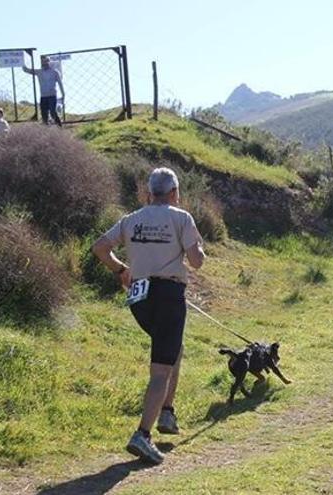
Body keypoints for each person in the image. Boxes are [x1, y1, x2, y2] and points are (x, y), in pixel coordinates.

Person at [92, 167, 206, 465]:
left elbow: (100, 248)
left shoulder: (132, 219)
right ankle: (142, 434)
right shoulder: (181, 218)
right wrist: (199, 249)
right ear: (174, 193)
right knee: (160, 370)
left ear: (148, 193)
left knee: (172, 350)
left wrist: (121, 270)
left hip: (139, 298)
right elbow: (196, 263)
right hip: (169, 297)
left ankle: (167, 412)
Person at [22, 57, 65, 126]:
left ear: (49, 62)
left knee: (53, 112)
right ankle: (46, 128)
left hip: (52, 95)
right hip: (43, 96)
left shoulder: (55, 72)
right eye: (43, 62)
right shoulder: (39, 72)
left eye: (46, 61)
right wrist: (21, 61)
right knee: (44, 114)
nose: (45, 63)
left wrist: (63, 94)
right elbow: (26, 70)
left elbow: (60, 83)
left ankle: (59, 126)